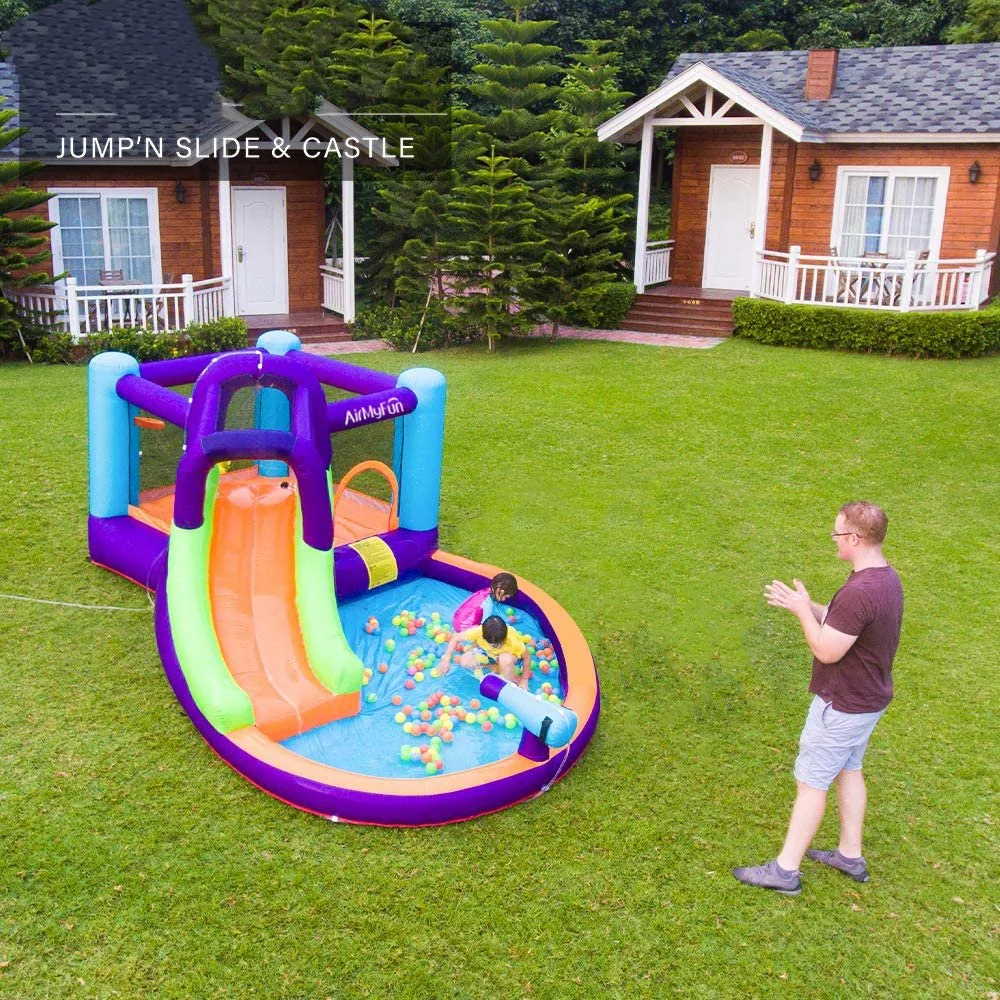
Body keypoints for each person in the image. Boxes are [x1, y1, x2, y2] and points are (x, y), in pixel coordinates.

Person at [733, 501, 904, 897]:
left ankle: (785, 871)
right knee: (849, 769)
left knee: (811, 784)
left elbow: (827, 649)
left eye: (837, 534)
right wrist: (807, 604)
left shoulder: (862, 590)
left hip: (842, 706)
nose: (834, 540)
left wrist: (799, 614)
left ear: (856, 538)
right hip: (868, 702)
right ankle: (849, 854)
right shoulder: (886, 579)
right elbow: (842, 621)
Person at [438, 614, 533, 689]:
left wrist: (524, 680)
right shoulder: (478, 632)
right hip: (489, 654)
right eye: (493, 644)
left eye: (499, 644)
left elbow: (527, 657)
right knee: (465, 661)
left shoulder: (512, 641)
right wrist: (446, 659)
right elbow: (456, 637)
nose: (497, 646)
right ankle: (495, 667)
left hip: (510, 656)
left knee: (505, 660)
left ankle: (506, 683)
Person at [452, 572, 519, 633]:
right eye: (506, 597)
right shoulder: (488, 603)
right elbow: (486, 627)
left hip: (456, 620)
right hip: (463, 629)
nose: (504, 600)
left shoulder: (484, 591)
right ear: (500, 591)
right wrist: (506, 623)